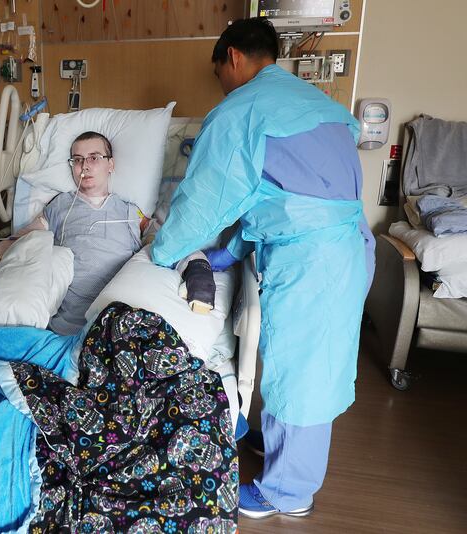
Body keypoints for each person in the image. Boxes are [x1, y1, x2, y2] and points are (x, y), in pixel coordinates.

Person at [151, 18, 375, 519]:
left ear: (232, 57)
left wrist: (161, 253)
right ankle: (270, 446)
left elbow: (201, 202)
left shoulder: (243, 111)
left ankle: (287, 493)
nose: (222, 87)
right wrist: (232, 251)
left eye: (219, 75)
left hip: (312, 259)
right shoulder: (319, 105)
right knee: (314, 362)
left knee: (303, 374)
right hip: (347, 245)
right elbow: (287, 195)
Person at [0, 131, 146, 335]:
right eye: (78, 160)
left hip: (119, 320)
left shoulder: (130, 211)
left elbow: (160, 241)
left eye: (94, 158)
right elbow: (25, 237)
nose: (85, 166)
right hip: (68, 325)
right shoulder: (61, 205)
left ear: (111, 165)